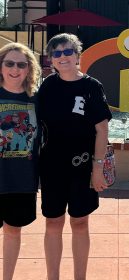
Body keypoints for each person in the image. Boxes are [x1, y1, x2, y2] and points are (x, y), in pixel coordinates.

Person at [38, 33, 112, 280]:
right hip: (51, 167)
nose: (63, 57)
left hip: (82, 167)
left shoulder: (92, 86)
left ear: (77, 55)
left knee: (79, 223)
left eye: (68, 51)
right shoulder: (47, 86)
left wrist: (97, 167)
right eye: (57, 53)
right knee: (52, 223)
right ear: (51, 59)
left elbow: (102, 129)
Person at [0, 42, 41, 280]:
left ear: (28, 69)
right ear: (1, 66)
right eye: (9, 63)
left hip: (22, 180)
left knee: (13, 231)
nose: (15, 69)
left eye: (21, 64)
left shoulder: (36, 100)